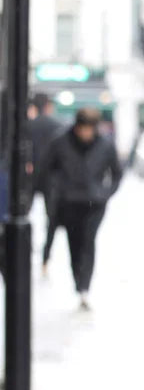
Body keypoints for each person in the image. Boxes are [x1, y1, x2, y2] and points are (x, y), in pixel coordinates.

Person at [38, 108, 122, 310]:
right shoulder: (60, 142)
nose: (86, 133)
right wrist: (56, 191)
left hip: (94, 203)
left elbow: (117, 173)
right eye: (83, 129)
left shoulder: (105, 145)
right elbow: (46, 170)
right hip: (69, 202)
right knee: (75, 244)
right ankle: (79, 283)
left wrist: (105, 193)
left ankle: (85, 286)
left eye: (89, 129)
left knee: (88, 241)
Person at [27, 93, 66, 275]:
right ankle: (45, 258)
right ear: (48, 106)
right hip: (51, 179)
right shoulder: (57, 127)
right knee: (51, 220)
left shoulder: (28, 126)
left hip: (30, 177)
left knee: (23, 214)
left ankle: (25, 248)